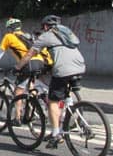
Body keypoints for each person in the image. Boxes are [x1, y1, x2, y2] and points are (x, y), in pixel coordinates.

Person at [14, 14, 85, 148]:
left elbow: (30, 54)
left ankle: (56, 134)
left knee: (53, 101)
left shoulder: (46, 36)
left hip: (63, 69)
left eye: (43, 27)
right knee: (64, 93)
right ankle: (72, 115)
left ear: (46, 26)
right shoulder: (66, 33)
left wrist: (18, 67)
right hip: (80, 66)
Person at [0, 17, 52, 96]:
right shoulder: (27, 36)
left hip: (27, 63)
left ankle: (19, 104)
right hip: (40, 62)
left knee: (18, 90)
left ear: (10, 28)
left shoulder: (8, 36)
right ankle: (35, 101)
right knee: (30, 85)